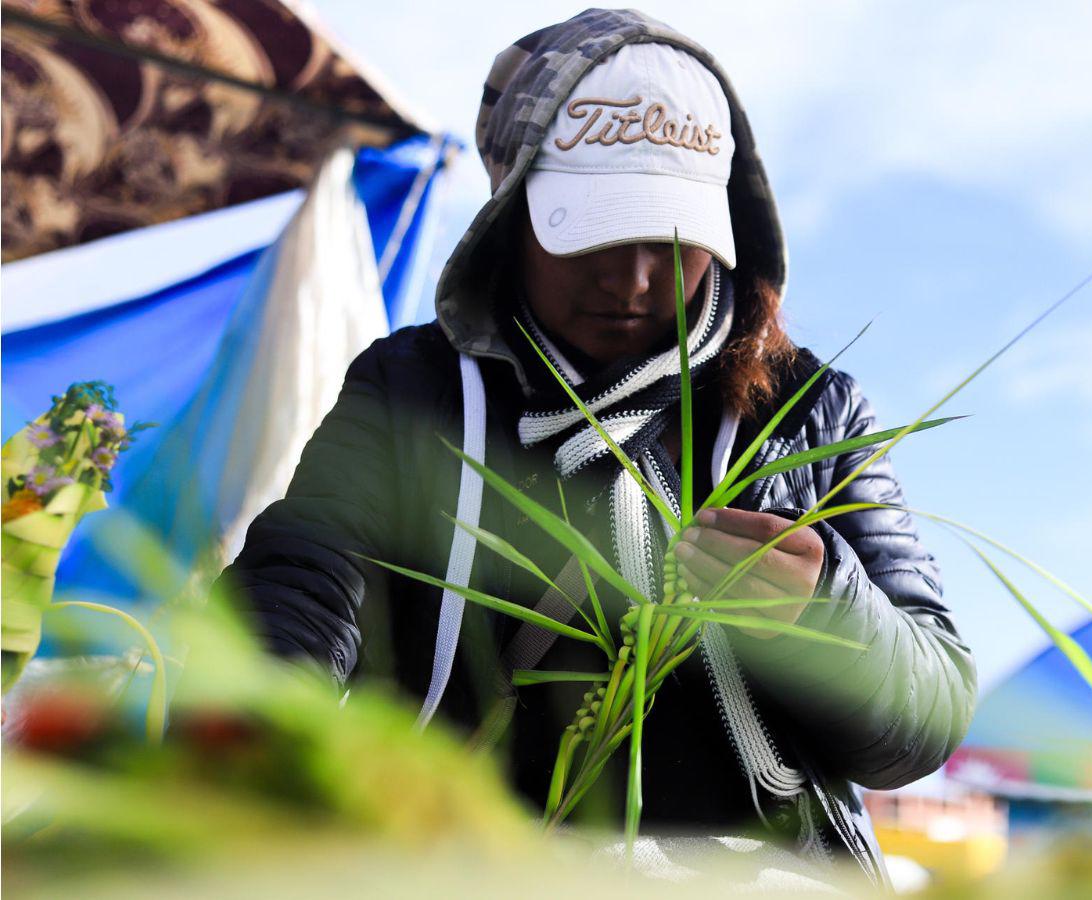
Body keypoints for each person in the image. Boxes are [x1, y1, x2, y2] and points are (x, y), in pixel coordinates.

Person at [215, 8, 976, 889]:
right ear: (510, 213)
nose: (633, 279)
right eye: (591, 231)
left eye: (672, 239)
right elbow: (305, 582)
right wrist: (256, 720)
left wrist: (827, 614)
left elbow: (928, 718)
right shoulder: (414, 391)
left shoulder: (808, 413)